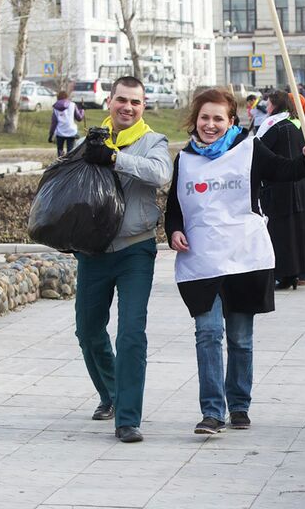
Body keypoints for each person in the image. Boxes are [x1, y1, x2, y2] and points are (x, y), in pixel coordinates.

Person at [164, 88, 305, 434]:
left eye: (218, 118)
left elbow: (285, 171)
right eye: (204, 117)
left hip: (243, 257)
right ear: (195, 120)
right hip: (201, 260)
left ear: (231, 120)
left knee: (239, 338)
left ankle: (239, 404)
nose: (210, 124)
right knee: (207, 334)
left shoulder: (248, 150)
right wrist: (173, 231)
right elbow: (174, 208)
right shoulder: (185, 159)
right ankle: (211, 412)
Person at [73, 76, 172, 443]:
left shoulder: (153, 142)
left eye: (135, 102)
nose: (127, 107)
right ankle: (111, 394)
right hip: (93, 252)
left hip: (135, 249)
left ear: (143, 106)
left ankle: (127, 418)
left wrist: (116, 158)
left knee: (131, 333)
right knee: (87, 330)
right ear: (109, 102)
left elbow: (161, 174)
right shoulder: (93, 139)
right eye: (121, 100)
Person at [257, 91, 305, 290]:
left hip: (282, 187)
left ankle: (285, 275)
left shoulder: (273, 126)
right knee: (304, 231)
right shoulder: (304, 125)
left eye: (268, 104)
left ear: (277, 106)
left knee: (284, 234)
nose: (267, 108)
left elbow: (259, 153)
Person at [48, 91, 85, 157]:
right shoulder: (72, 105)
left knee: (60, 153)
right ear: (67, 97)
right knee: (70, 153)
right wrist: (82, 110)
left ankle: (60, 164)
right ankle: (69, 165)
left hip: (60, 133)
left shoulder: (55, 108)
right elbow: (79, 118)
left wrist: (51, 136)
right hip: (71, 132)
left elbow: (54, 123)